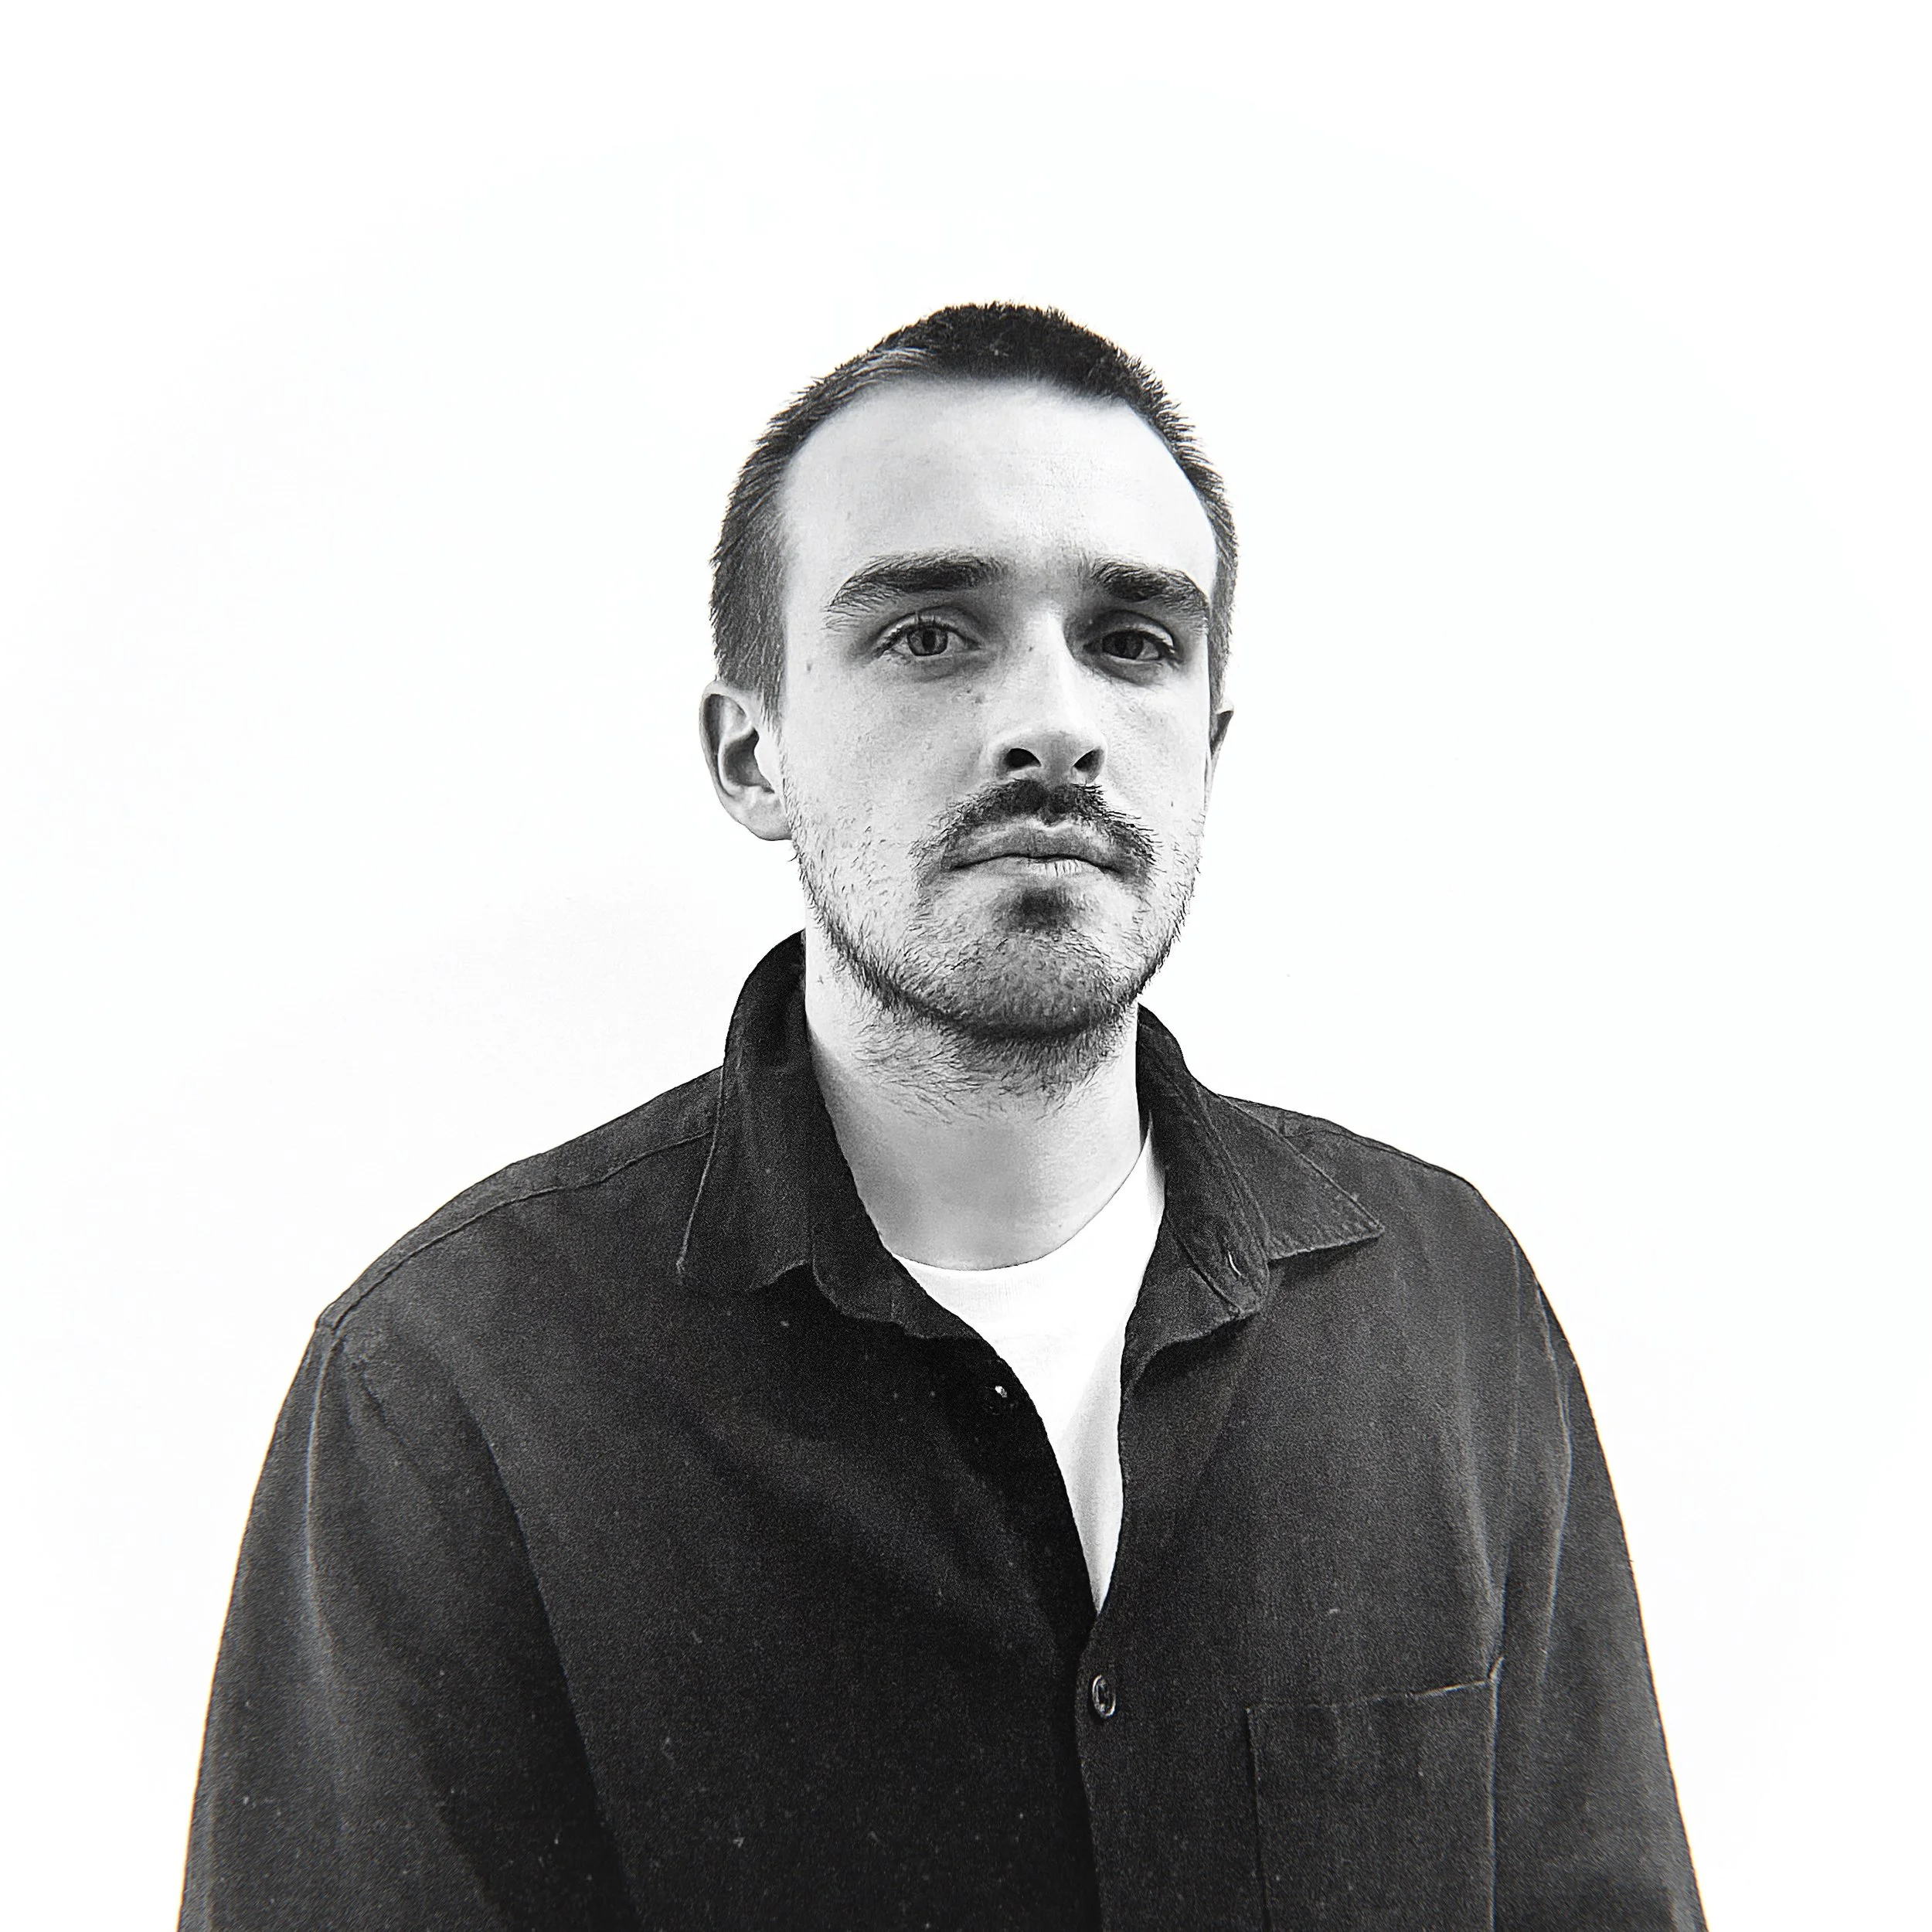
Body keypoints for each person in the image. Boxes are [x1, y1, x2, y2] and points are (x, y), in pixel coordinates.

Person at [179, 303, 1705, 1930]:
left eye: (1130, 640)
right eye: (929, 633)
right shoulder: (455, 1383)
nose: (1051, 721)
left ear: (1206, 744)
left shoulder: (1442, 1304)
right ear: (749, 748)